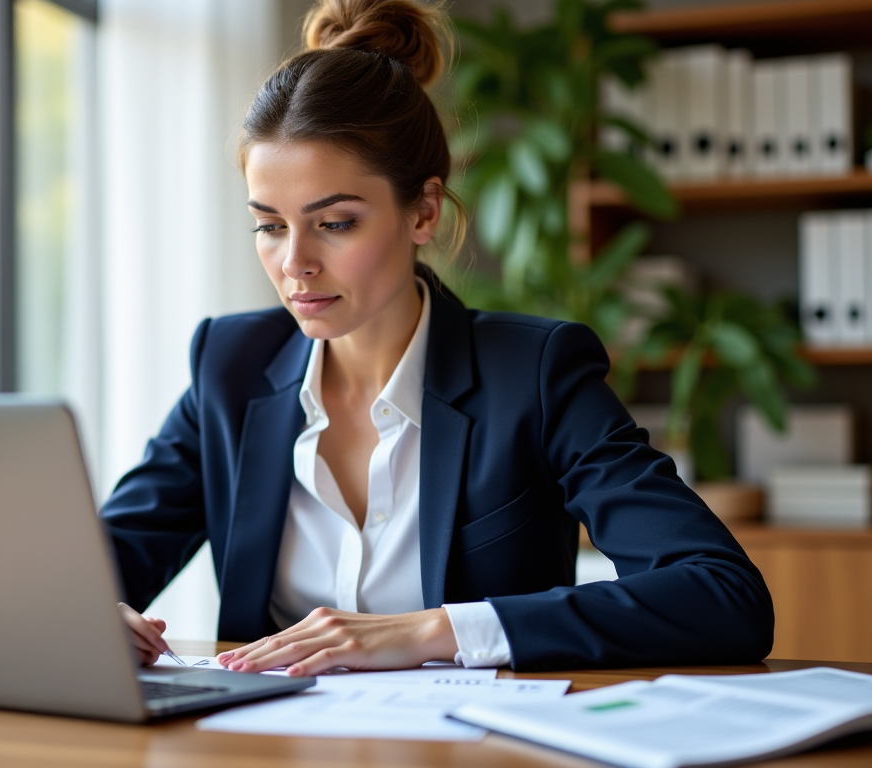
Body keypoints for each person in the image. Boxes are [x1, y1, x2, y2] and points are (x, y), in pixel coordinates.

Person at [103, 0, 774, 676]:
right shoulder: (231, 366)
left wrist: (436, 631)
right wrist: (94, 611)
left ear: (423, 211)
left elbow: (724, 594)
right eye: (270, 224)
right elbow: (96, 561)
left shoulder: (534, 375)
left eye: (334, 223)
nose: (294, 262)